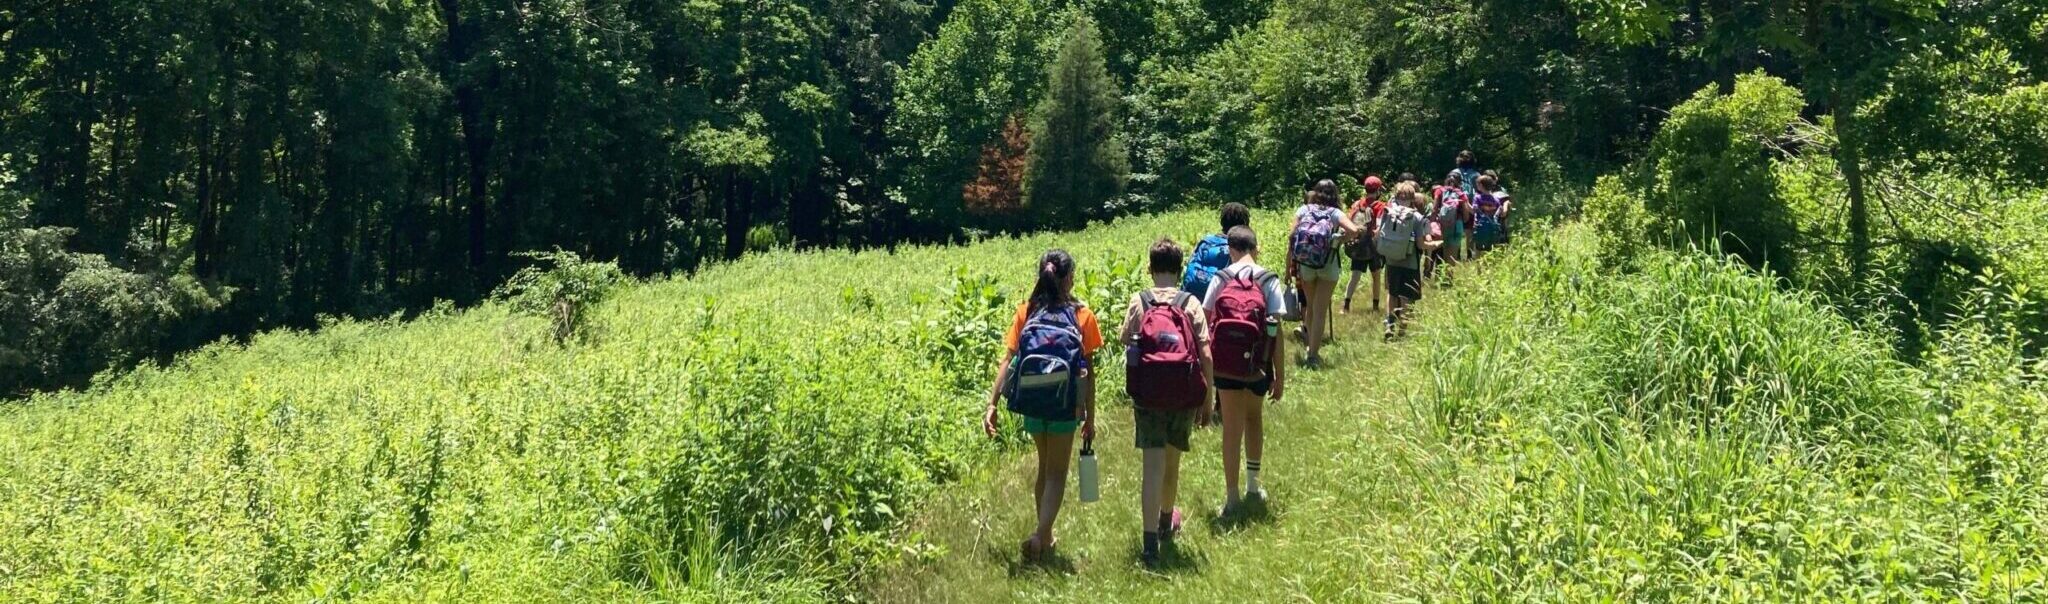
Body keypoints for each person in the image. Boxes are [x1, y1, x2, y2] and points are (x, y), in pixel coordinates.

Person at [982, 250, 1105, 563]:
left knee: (1043, 467)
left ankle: (1046, 536)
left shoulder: (1027, 311)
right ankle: (1040, 534)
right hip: (1065, 404)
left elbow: (1008, 359)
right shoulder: (1082, 315)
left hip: (1033, 401)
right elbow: (1088, 373)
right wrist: (1089, 416)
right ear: (1069, 278)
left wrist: (992, 404)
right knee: (1056, 473)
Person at [1121, 239, 1213, 567]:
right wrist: (1208, 398)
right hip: (1183, 394)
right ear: (1180, 269)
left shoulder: (1139, 300)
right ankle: (1165, 521)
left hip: (1147, 395)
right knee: (1172, 464)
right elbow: (1204, 352)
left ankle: (1148, 545)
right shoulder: (1190, 303)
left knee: (1152, 468)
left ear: (1150, 268)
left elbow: (1124, 339)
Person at [1203, 226, 1290, 516]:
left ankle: (1231, 497)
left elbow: (1206, 324)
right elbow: (1276, 331)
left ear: (1231, 249)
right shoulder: (1268, 279)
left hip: (1226, 367)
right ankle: (1253, 485)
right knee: (1254, 418)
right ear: (1256, 248)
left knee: (1231, 427)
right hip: (1257, 366)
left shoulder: (1220, 278)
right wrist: (1279, 375)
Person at [1286, 179, 1363, 367]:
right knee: (1320, 311)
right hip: (1328, 264)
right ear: (1335, 194)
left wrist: (1288, 266)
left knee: (1310, 307)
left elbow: (1292, 234)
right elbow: (1353, 230)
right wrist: (1338, 240)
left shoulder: (1304, 210)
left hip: (1306, 264)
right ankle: (1313, 355)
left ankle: (1308, 346)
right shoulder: (1335, 213)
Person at [1378, 183, 1441, 340]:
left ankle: (1389, 324)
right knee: (1408, 298)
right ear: (1413, 198)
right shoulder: (1417, 217)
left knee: (1392, 293)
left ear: (1396, 196)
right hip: (1409, 262)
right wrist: (1434, 245)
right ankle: (1402, 331)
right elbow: (1421, 244)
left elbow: (1378, 234)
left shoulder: (1387, 213)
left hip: (1391, 260)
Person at [1343, 176, 1389, 315]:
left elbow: (1350, 221)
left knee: (1355, 276)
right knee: (1376, 276)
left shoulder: (1358, 204)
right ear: (1378, 190)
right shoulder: (1381, 206)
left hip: (1359, 245)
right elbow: (1380, 227)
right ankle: (1375, 307)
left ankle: (1346, 305)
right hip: (1374, 247)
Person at [1428, 172, 1470, 284]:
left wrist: (1432, 224)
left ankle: (1439, 278)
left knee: (1442, 251)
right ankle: (1448, 279)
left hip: (1442, 224)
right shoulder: (1461, 194)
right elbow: (1466, 214)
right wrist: (1463, 220)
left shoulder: (1439, 191)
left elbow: (1434, 209)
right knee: (1452, 253)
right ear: (1460, 182)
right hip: (1457, 224)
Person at [1471, 174, 1506, 259]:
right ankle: (1488, 267)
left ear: (1481, 185)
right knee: (1490, 249)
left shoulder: (1478, 198)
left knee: (1478, 249)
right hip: (1492, 227)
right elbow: (1499, 212)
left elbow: (1474, 209)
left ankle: (1479, 270)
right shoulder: (1496, 199)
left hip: (1480, 226)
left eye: (1478, 184)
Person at [1485, 170, 1514, 245]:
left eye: (1492, 179)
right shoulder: (1482, 190)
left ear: (1496, 179)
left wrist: (1505, 208)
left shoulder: (1501, 189)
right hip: (1486, 218)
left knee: (1501, 239)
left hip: (1500, 219)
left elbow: (1507, 201)